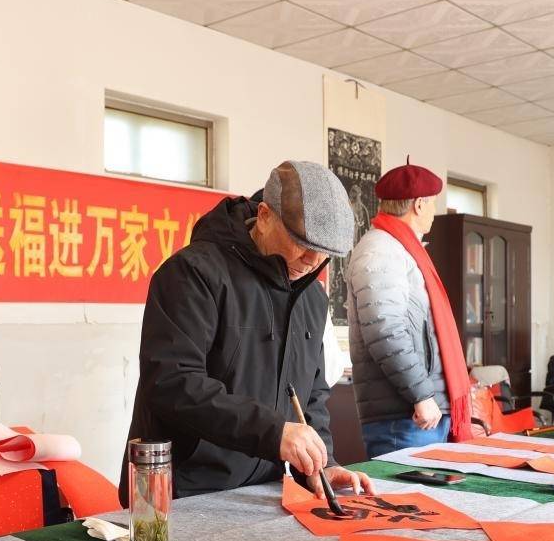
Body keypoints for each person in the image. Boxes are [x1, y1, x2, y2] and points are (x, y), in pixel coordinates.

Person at [122, 160, 374, 503]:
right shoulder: (192, 274)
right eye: (302, 242)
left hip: (258, 492)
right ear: (265, 216)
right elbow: (172, 383)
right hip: (180, 489)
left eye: (326, 253)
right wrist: (273, 433)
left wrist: (323, 463)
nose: (312, 260)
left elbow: (311, 394)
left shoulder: (311, 297)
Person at [345, 159, 472, 458]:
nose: (434, 212)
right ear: (418, 204)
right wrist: (422, 394)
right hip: (406, 418)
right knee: (405, 491)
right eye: (433, 204)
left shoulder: (402, 250)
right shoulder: (381, 249)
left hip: (422, 415)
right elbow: (385, 330)